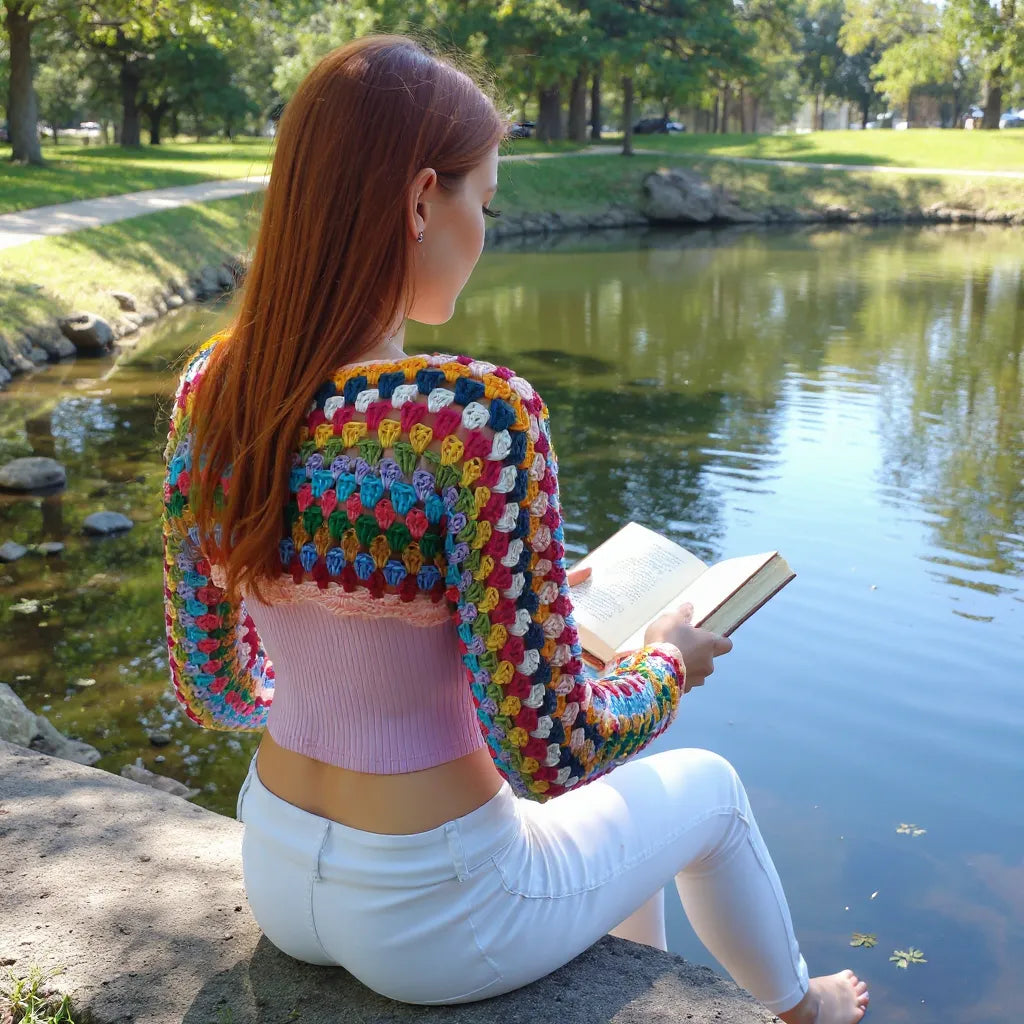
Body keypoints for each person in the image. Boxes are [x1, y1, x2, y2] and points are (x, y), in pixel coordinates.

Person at [160, 34, 870, 1024]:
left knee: (605, 836)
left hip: (280, 871)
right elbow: (553, 750)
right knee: (704, 787)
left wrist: (504, 614)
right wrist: (666, 662)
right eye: (480, 204)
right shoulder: (469, 417)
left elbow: (217, 687)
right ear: (419, 202)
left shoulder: (213, 389)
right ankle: (802, 1007)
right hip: (439, 918)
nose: (483, 233)